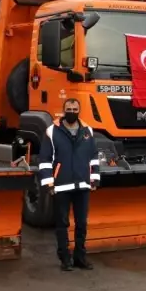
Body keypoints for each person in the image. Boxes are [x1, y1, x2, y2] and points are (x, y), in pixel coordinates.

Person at [37, 98, 100, 271]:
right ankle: (65, 258)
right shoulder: (52, 131)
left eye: (75, 108)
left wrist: (94, 178)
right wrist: (49, 183)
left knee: (81, 223)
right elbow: (45, 160)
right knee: (62, 224)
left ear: (79, 110)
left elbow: (93, 157)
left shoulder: (88, 131)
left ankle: (80, 257)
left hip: (83, 185)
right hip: (61, 186)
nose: (72, 111)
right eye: (69, 108)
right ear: (63, 110)